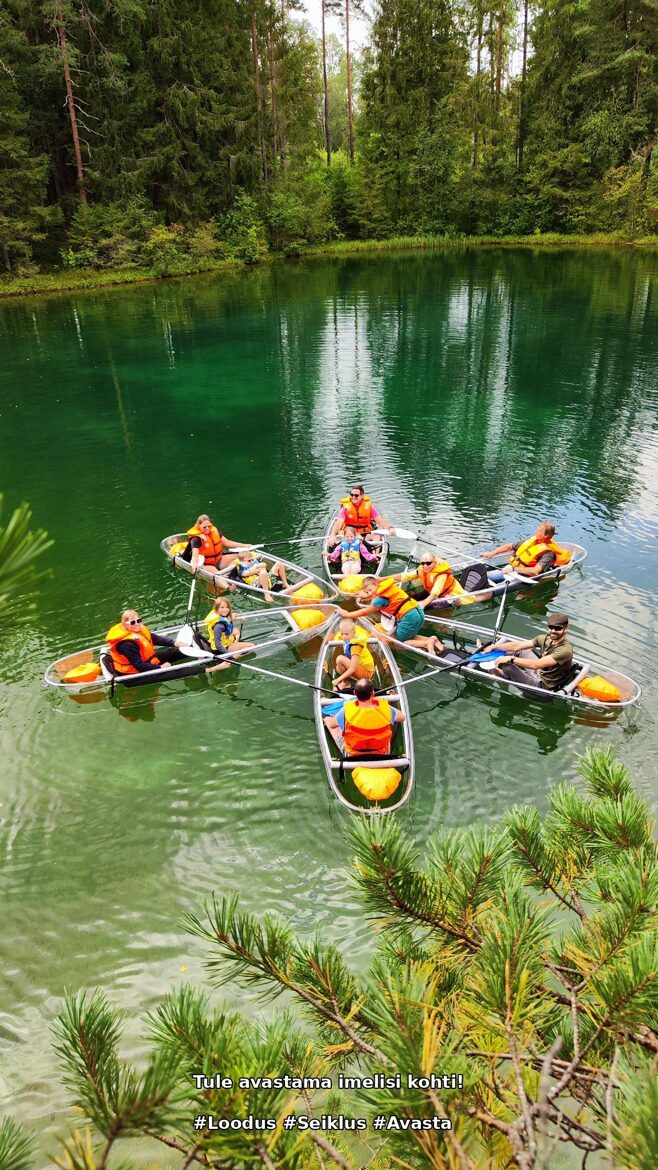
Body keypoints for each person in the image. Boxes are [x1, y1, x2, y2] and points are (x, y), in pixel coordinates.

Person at [340, 576, 443, 655]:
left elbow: (365, 612)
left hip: (408, 617)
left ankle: (426, 643)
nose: (370, 593)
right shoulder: (388, 588)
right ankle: (432, 639)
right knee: (409, 635)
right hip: (417, 610)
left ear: (376, 585)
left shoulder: (380, 599)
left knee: (399, 644)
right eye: (367, 592)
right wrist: (362, 594)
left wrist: (348, 614)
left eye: (370, 590)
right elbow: (373, 596)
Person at [490, 612, 574, 691]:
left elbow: (536, 665)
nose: (553, 631)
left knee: (508, 668)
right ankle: (494, 662)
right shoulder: (545, 638)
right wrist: (495, 647)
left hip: (544, 686)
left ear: (566, 629)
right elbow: (518, 646)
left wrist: (511, 659)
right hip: (540, 673)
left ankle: (499, 674)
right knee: (522, 650)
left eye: (558, 628)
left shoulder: (565, 650)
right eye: (551, 627)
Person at [324, 676, 405, 756]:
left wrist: (330, 719)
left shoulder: (347, 709)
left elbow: (331, 724)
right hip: (381, 753)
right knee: (388, 723)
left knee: (328, 720)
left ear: (355, 693)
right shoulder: (385, 708)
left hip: (354, 755)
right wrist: (383, 704)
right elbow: (402, 717)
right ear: (372, 693)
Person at [480, 521, 571, 580]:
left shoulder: (548, 553)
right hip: (512, 569)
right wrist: (492, 553)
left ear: (545, 535)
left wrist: (513, 569)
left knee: (488, 578)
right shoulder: (532, 541)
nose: (536, 532)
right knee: (485, 576)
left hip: (524, 576)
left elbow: (535, 571)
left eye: (539, 531)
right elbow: (510, 546)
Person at [105, 610, 182, 675]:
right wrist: (160, 667)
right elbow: (139, 665)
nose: (136, 624)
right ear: (125, 624)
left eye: (138, 621)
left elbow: (154, 638)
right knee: (177, 672)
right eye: (132, 622)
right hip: (134, 671)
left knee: (175, 652)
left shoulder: (137, 629)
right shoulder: (127, 644)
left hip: (149, 660)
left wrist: (174, 643)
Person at [328, 485, 395, 550]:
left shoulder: (370, 507)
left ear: (362, 496)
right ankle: (341, 552)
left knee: (377, 535)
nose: (353, 497)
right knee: (340, 533)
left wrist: (390, 528)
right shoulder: (345, 508)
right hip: (349, 534)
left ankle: (376, 554)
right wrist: (332, 535)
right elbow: (338, 523)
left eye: (356, 495)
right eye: (352, 495)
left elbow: (380, 521)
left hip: (365, 533)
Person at [394, 552, 467, 607]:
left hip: (447, 595)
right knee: (415, 597)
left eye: (428, 563)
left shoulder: (442, 575)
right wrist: (386, 579)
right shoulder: (423, 569)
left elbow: (434, 593)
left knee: (428, 607)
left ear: (435, 563)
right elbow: (403, 576)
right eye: (423, 563)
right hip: (431, 590)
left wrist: (422, 605)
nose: (425, 566)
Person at [181, 514, 249, 573]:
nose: (207, 528)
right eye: (204, 527)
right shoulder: (196, 538)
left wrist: (244, 545)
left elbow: (227, 542)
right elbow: (195, 556)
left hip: (218, 560)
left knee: (240, 557)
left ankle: (227, 573)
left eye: (209, 526)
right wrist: (195, 564)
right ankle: (223, 576)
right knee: (217, 575)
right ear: (199, 526)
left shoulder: (214, 532)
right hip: (206, 564)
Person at [205, 597, 255, 673]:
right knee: (253, 647)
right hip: (221, 648)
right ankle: (231, 658)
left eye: (227, 607)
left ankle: (232, 653)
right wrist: (231, 655)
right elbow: (218, 645)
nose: (225, 610)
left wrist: (230, 617)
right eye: (222, 607)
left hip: (225, 642)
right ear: (217, 608)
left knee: (237, 632)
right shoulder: (219, 626)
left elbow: (228, 628)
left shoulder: (218, 616)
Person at [331, 618, 376, 691]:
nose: (344, 637)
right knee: (338, 668)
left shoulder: (355, 646)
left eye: (346, 634)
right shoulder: (349, 640)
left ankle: (345, 683)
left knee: (340, 659)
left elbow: (353, 668)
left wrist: (338, 679)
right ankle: (348, 680)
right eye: (342, 634)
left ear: (354, 632)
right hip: (360, 667)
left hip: (367, 672)